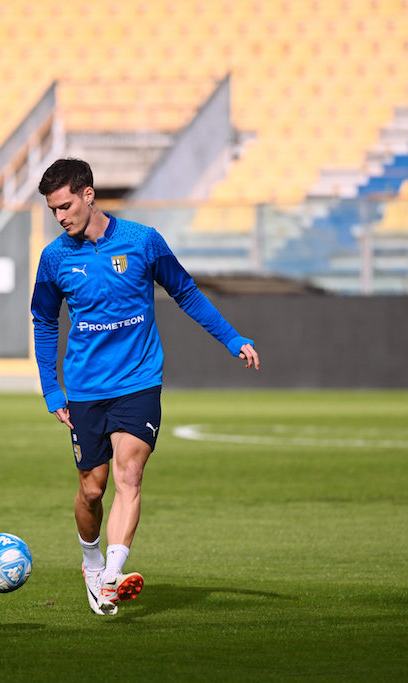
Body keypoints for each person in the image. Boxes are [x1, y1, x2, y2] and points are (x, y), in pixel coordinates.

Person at [30, 158, 260, 615]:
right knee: (92, 491)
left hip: (139, 381)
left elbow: (186, 292)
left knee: (129, 475)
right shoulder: (55, 257)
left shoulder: (142, 241)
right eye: (53, 210)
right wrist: (51, 390)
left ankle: (113, 577)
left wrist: (232, 338)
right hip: (84, 389)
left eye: (65, 206)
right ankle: (92, 562)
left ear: (88, 194)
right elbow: (42, 321)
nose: (60, 217)